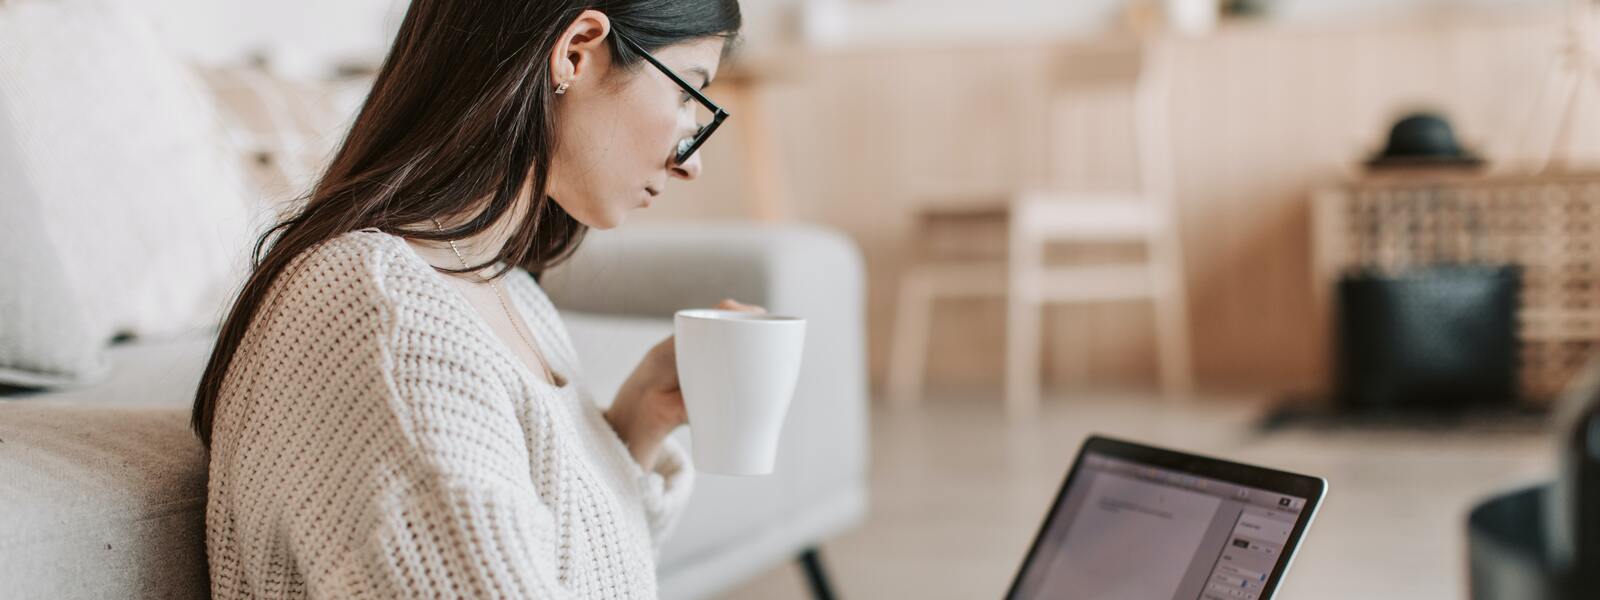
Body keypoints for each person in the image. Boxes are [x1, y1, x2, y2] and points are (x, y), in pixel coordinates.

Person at [189, 1, 745, 597]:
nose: (694, 163)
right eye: (688, 91)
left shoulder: (505, 294)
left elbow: (585, 572)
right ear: (577, 51)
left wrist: (635, 425)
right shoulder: (383, 316)